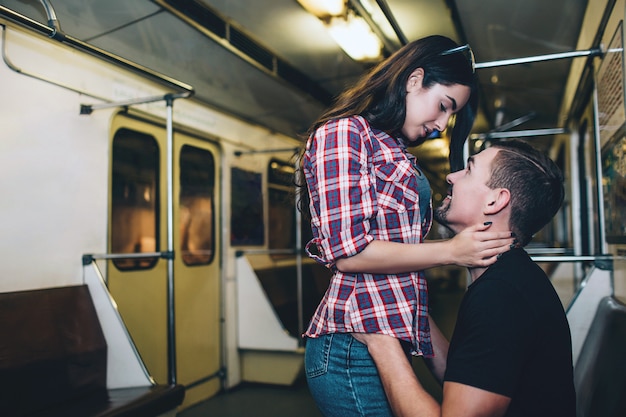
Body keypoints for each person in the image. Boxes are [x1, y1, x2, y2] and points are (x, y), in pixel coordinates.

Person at [298, 34, 515, 417]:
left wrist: (443, 363)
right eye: (444, 106)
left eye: (451, 116)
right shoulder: (345, 133)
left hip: (388, 338)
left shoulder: (392, 147)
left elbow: (401, 280)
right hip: (352, 347)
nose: (444, 123)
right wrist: (451, 251)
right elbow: (348, 252)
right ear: (414, 80)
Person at [358, 139, 576, 417]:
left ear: (495, 200)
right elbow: (470, 376)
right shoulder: (511, 276)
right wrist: (409, 310)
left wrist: (382, 344)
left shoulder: (501, 298)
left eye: (469, 170)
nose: (452, 176)